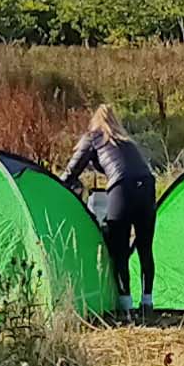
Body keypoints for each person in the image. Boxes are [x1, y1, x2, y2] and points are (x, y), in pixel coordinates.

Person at [62, 103, 155, 311]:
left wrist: (56, 189)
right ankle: (147, 302)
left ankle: (125, 305)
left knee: (118, 248)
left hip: (123, 187)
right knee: (145, 248)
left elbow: (70, 173)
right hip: (147, 185)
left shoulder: (94, 137)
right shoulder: (127, 141)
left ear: (95, 121)